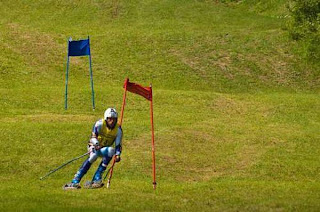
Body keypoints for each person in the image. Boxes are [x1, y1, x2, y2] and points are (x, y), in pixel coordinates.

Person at [64, 108, 122, 190]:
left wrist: (117, 155)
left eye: (114, 119)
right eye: (109, 119)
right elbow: (93, 137)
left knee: (111, 150)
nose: (111, 121)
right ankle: (75, 181)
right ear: (106, 118)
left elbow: (118, 145)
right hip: (94, 146)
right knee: (93, 156)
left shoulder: (118, 130)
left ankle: (97, 178)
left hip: (104, 149)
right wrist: (97, 144)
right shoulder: (99, 124)